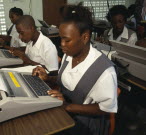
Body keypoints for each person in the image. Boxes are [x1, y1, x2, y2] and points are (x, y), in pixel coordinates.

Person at [32, 4, 118, 135]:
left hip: (86, 124)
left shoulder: (105, 70)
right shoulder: (69, 54)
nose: (61, 45)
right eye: (61, 39)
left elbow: (105, 109)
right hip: (64, 111)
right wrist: (48, 77)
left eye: (67, 40)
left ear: (85, 37)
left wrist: (67, 106)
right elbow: (69, 79)